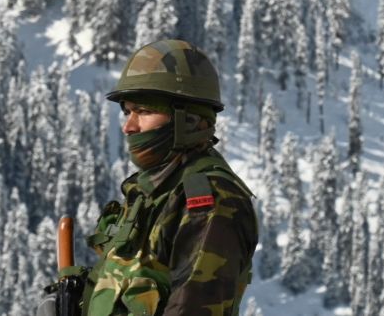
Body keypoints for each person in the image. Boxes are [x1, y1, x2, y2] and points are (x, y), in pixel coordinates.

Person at [85, 39, 260, 316]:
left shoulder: (210, 200)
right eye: (127, 111)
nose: (129, 126)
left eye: (143, 111)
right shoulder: (151, 192)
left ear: (187, 119)